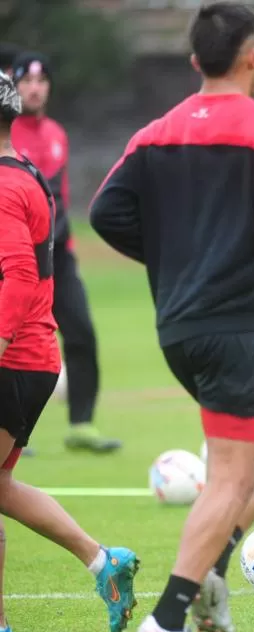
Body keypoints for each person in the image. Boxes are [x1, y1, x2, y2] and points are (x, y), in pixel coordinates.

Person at [89, 3, 254, 632]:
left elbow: (106, 212)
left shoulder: (153, 133)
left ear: (196, 61)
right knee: (231, 477)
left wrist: (177, 259)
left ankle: (213, 570)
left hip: (179, 331)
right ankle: (167, 624)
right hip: (236, 332)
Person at [0, 69, 139, 632]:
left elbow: (17, 278)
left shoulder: (5, 185)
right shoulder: (23, 172)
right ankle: (102, 562)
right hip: (29, 357)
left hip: (15, 358)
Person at [9, 51, 122, 454]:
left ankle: (81, 424)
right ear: (14, 86)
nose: (35, 88)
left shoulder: (57, 134)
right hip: (15, 257)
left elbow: (57, 198)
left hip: (59, 253)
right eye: (26, 81)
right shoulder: (7, 135)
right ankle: (13, 431)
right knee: (13, 341)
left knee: (82, 333)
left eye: (42, 81)